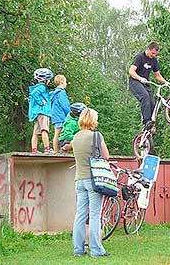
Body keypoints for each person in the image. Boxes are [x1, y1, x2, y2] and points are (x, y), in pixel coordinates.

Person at [72, 108, 109, 257]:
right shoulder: (96, 136)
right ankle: (96, 250)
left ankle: (78, 250)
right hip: (93, 180)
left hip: (79, 180)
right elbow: (106, 156)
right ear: (93, 120)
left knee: (80, 215)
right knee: (94, 215)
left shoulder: (75, 138)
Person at [128, 42, 170, 128]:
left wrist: (166, 82)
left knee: (152, 102)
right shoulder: (139, 57)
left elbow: (157, 75)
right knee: (145, 96)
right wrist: (140, 78)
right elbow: (131, 71)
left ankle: (150, 126)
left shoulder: (154, 60)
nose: (153, 55)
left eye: (155, 54)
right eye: (152, 53)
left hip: (146, 83)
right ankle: (146, 121)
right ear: (148, 49)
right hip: (135, 81)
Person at [28, 68, 54, 153]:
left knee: (36, 132)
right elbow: (34, 94)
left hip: (37, 113)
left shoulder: (39, 87)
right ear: (45, 80)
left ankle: (34, 150)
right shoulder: (42, 87)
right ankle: (47, 149)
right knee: (44, 130)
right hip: (43, 112)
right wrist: (41, 102)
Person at [50, 75, 71, 153]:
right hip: (61, 116)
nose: (66, 84)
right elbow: (65, 106)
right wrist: (70, 114)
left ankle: (56, 150)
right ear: (62, 82)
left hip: (55, 117)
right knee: (60, 134)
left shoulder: (54, 93)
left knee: (57, 134)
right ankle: (57, 151)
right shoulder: (61, 93)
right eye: (65, 82)